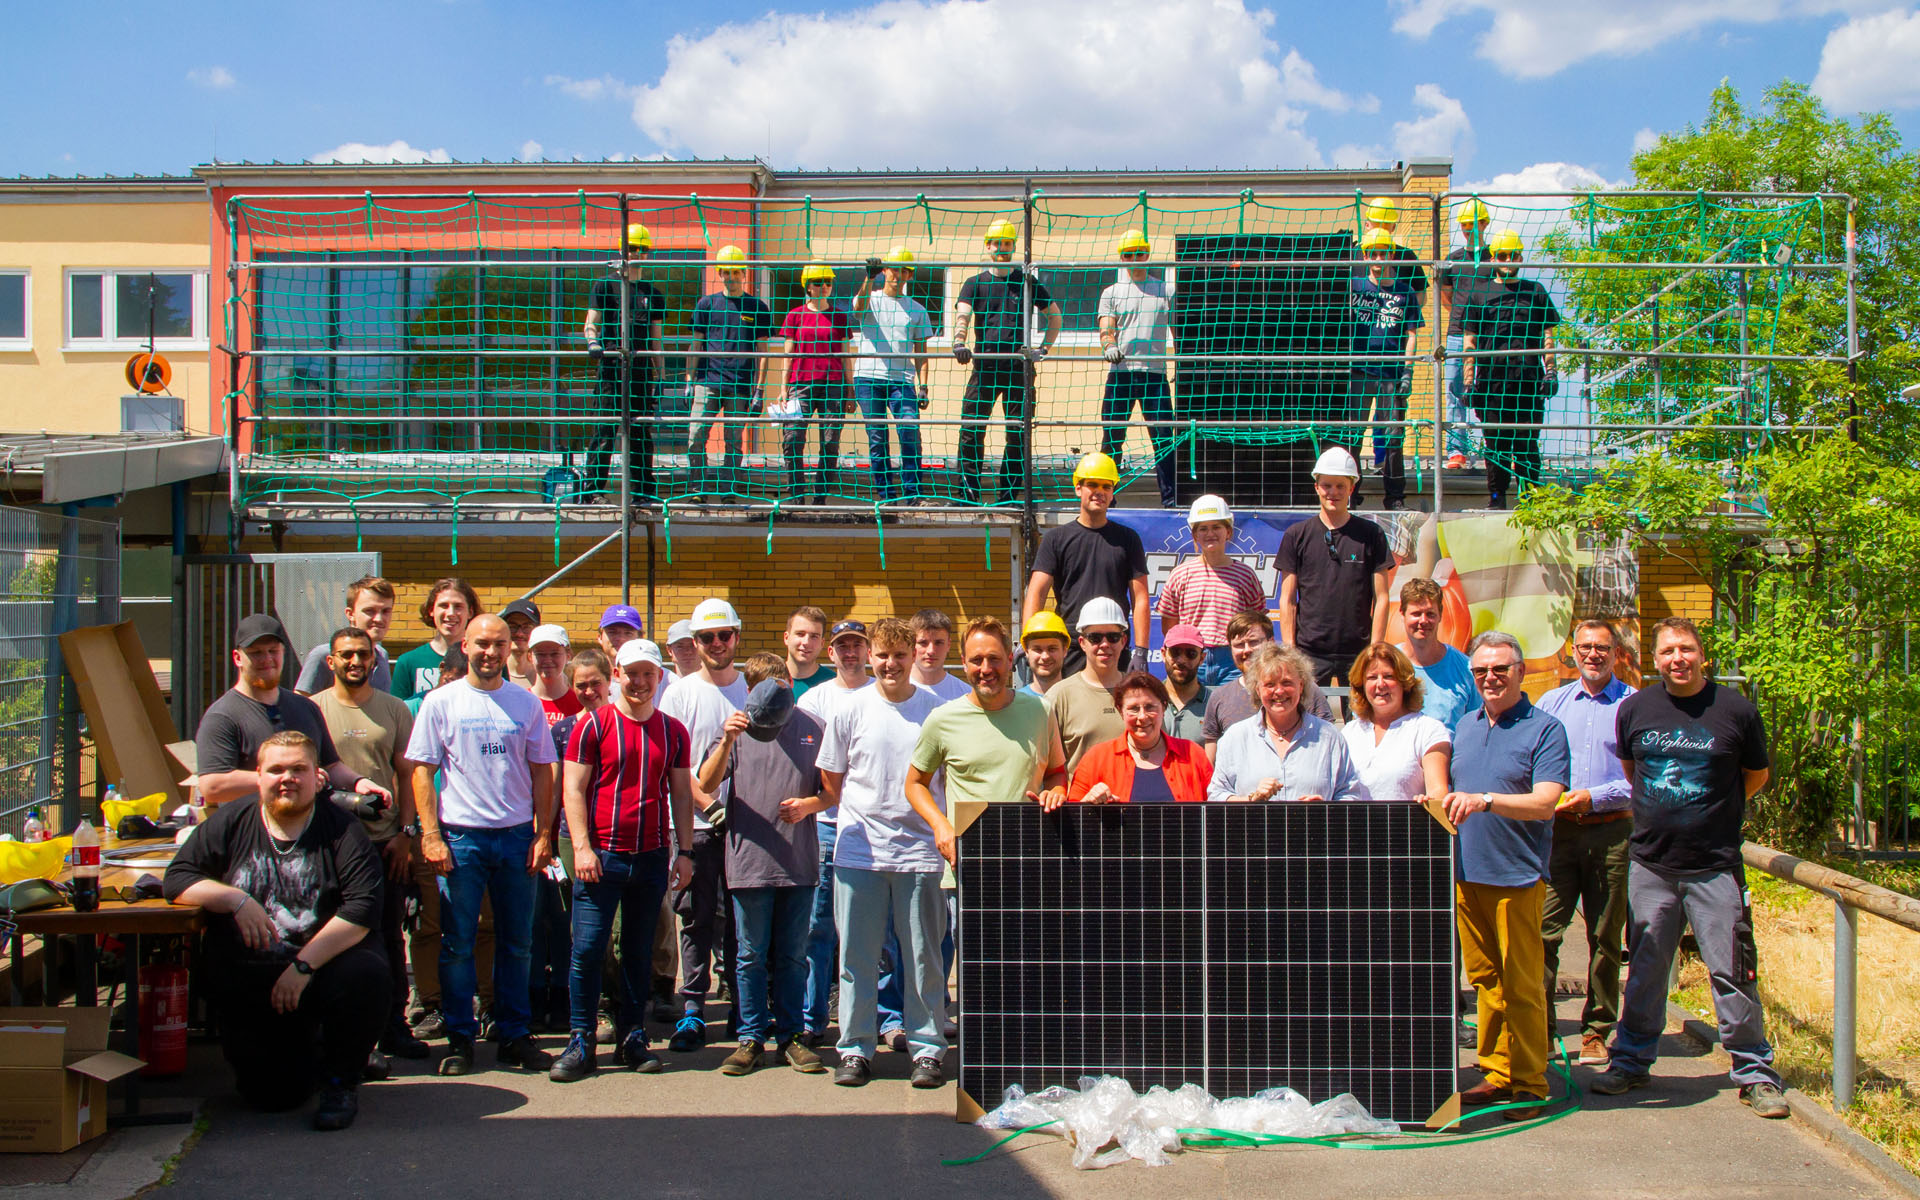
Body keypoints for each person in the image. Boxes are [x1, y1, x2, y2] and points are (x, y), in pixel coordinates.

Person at [1594, 617, 1787, 1119]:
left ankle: (1754, 1072)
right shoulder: (1635, 708)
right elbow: (1633, 773)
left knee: (1732, 970)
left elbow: (1756, 775)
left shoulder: (1735, 710)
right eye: (1666, 652)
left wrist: (1712, 813)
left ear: (1702, 655)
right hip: (1652, 864)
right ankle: (1631, 1061)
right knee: (1646, 969)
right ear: (1655, 660)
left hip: (1714, 865)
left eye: (1686, 649)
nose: (1676, 658)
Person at [165, 732, 388, 1131]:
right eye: (277, 769)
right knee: (273, 1098)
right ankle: (306, 1053)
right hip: (253, 980)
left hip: (320, 970)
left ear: (317, 777)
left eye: (298, 769)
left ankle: (341, 1080)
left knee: (366, 972)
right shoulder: (232, 821)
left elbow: (362, 908)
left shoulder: (342, 830)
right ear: (259, 775)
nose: (288, 778)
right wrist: (235, 900)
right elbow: (178, 879)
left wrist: (302, 968)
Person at [904, 617, 1068, 1088]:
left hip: (1031, 867)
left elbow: (1057, 772)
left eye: (994, 659)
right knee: (977, 975)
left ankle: (1032, 1064)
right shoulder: (944, 719)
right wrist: (940, 824)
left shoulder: (1038, 711)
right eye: (976, 660)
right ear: (964, 662)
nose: (985, 668)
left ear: (1009, 659)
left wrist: (1057, 792)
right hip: (970, 869)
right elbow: (914, 783)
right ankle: (982, 1072)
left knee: (1031, 972)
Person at [405, 614, 559, 1076]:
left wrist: (543, 833)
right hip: (460, 839)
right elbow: (421, 771)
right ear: (465, 645)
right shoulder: (441, 702)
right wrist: (430, 835)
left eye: (500, 644)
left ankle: (514, 1034)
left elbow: (542, 770)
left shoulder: (524, 703)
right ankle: (459, 1038)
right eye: (482, 644)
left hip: (516, 840)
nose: (490, 653)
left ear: (512, 647)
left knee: (517, 944)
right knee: (457, 944)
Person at [800, 617, 946, 1087]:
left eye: (899, 656)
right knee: (857, 958)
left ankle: (926, 1049)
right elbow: (832, 781)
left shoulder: (936, 710)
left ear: (912, 658)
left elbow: (944, 778)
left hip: (920, 853)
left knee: (923, 958)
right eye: (882, 655)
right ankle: (856, 1048)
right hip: (858, 852)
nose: (890, 664)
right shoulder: (849, 709)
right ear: (870, 656)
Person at [1437, 630, 1570, 1119]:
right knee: (1486, 982)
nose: (1490, 678)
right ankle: (1496, 1072)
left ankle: (1532, 1083)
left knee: (1522, 986)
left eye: (1500, 669)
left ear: (1520, 672)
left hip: (1517, 878)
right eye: (1480, 671)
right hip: (1467, 876)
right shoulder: (1466, 727)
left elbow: (1544, 802)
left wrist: (1487, 801)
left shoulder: (1545, 729)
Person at [550, 639, 696, 1081]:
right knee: (588, 950)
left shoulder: (673, 731)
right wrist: (581, 847)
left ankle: (633, 1036)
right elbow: (572, 789)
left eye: (648, 673)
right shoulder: (592, 725)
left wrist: (685, 851)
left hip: (650, 856)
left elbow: (682, 794)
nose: (639, 682)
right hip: (602, 857)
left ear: (658, 676)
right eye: (631, 673)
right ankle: (581, 1040)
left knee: (638, 952)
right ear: (618, 674)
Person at [696, 657, 827, 1076]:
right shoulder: (737, 728)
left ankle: (790, 1037)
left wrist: (809, 805)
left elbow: (832, 791)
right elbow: (704, 783)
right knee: (750, 956)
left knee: (792, 955)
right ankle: (750, 1037)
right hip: (749, 860)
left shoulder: (813, 727)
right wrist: (726, 742)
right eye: (759, 689)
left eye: (778, 686)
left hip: (798, 860)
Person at [312, 627, 425, 1063]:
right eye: (347, 655)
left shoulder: (394, 709)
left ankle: (392, 1026)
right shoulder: (313, 710)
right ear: (331, 661)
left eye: (364, 654)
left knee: (390, 937)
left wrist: (405, 834)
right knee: (334, 937)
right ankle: (341, 1032)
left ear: (376, 660)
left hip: (384, 845)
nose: (356, 661)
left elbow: (407, 776)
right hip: (328, 847)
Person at [1535, 619, 1635, 1066]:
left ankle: (1597, 1030)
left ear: (1616, 654)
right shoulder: (1552, 703)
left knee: (1605, 935)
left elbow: (1644, 780)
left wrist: (1596, 795)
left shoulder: (1633, 706)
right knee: (1543, 933)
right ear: (1571, 652)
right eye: (1585, 647)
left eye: (1602, 648)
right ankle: (1541, 1029)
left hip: (1612, 829)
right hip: (1558, 832)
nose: (1592, 655)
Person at [658, 597, 748, 1052]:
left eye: (724, 635)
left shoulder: (752, 689)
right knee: (694, 917)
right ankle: (693, 1008)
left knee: (739, 920)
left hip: (744, 830)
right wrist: (710, 808)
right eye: (707, 638)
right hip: (693, 826)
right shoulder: (679, 693)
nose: (716, 644)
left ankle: (740, 1007)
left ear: (737, 637)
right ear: (695, 643)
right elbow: (677, 768)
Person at [196, 614, 392, 810]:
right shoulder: (223, 716)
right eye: (256, 653)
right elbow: (212, 785)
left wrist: (358, 782)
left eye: (273, 651)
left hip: (309, 830)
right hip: (253, 831)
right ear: (238, 658)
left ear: (283, 653)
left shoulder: (305, 707)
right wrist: (288, 778)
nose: (267, 659)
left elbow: (331, 766)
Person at [794, 618, 873, 1047]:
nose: (850, 653)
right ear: (832, 653)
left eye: (857, 645)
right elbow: (810, 765)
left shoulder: (881, 692)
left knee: (877, 933)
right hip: (826, 826)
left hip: (871, 827)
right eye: (843, 646)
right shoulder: (816, 699)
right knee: (818, 925)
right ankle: (812, 1016)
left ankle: (883, 1015)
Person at [951, 219, 1061, 505]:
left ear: (1013, 247)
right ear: (988, 246)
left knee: (1018, 432)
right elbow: (963, 314)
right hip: (985, 367)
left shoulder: (1025, 282)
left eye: (1008, 244)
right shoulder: (975, 283)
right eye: (997, 243)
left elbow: (1055, 316)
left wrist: (1043, 348)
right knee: (971, 429)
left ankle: (1010, 496)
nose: (1002, 248)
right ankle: (967, 495)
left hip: (1018, 369)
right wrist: (959, 341)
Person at [1024, 452, 1150, 675]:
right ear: (1078, 488)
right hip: (1072, 647)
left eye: (1106, 486)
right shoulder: (1056, 539)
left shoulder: (1128, 539)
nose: (1099, 492)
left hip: (1113, 645)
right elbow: (1037, 592)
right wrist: (1028, 640)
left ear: (1112, 493)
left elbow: (1140, 598)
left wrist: (1141, 650)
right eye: (1092, 484)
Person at [1277, 448, 1392, 687]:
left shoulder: (1372, 534)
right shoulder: (1297, 535)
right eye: (1327, 485)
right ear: (1316, 487)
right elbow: (1288, 600)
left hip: (1359, 653)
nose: (1333, 492)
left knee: (1364, 723)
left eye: (1340, 486)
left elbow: (1381, 598)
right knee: (1307, 722)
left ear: (1352, 488)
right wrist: (1290, 650)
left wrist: (1375, 648)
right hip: (1309, 653)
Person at [1462, 229, 1559, 508]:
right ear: (1493, 258)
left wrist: (1551, 371)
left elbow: (1547, 338)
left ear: (1520, 256)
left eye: (1512, 255)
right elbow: (1470, 341)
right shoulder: (1479, 294)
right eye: (1502, 255)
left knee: (1527, 443)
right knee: (1496, 446)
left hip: (1528, 379)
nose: (1507, 260)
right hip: (1491, 381)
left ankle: (1531, 501)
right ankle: (1497, 500)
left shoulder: (1535, 291)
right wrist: (1468, 381)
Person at [1208, 644, 1362, 803]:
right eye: (1270, 684)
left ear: (1301, 686)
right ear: (1257, 689)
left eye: (1287, 683)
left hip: (1313, 828)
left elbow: (1351, 795)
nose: (1279, 691)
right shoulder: (1236, 737)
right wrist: (1251, 799)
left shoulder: (1329, 737)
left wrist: (1324, 809)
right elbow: (1216, 796)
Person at [582, 222, 667, 502]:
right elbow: (590, 323)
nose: (637, 254)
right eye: (632, 248)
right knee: (605, 429)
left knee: (641, 432)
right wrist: (593, 343)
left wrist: (661, 375)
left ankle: (643, 492)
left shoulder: (652, 293)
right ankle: (593, 491)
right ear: (622, 250)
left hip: (641, 371)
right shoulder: (606, 285)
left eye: (642, 249)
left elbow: (656, 340)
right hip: (611, 368)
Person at [524, 623, 580, 1030]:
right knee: (533, 916)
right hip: (526, 824)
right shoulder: (522, 702)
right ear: (529, 657)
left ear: (566, 655)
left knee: (562, 916)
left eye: (554, 653)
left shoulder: (578, 703)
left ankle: (561, 993)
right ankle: (532, 993)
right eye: (539, 654)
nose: (547, 661)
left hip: (564, 829)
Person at [1097, 228, 1178, 508]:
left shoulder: (1165, 289)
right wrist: (1109, 346)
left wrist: (1182, 362)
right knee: (1112, 437)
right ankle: (1108, 497)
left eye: (1140, 253)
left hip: (1154, 374)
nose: (1135, 259)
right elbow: (1106, 327)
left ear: (1148, 254)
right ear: (1122, 257)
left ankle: (1171, 499)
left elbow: (1177, 329)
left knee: (1163, 438)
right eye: (1129, 255)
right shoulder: (1112, 292)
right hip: (1121, 374)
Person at [686, 244, 774, 492]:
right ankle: (698, 490)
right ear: (720, 273)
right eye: (727, 272)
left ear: (744, 274)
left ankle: (729, 491)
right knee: (695, 437)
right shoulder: (706, 304)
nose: (731, 277)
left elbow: (762, 353)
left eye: (736, 272)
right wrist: (689, 381)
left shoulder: (757, 308)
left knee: (734, 442)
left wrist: (759, 390)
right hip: (707, 381)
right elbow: (695, 345)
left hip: (740, 385)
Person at [1351, 228, 1426, 510]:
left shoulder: (1405, 291)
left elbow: (1412, 335)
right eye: (1373, 253)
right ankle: (1350, 496)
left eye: (1384, 253)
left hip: (1392, 373)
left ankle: (1394, 497)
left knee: (1394, 436)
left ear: (1392, 254)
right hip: (1358, 372)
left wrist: (1408, 372)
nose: (1378, 258)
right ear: (1366, 255)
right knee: (1352, 436)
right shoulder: (1355, 286)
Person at [853, 246, 933, 505]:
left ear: (909, 275)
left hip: (902, 381)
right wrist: (869, 276)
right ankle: (887, 498)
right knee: (877, 438)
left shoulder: (917, 310)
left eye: (903, 271)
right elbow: (858, 308)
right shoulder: (872, 299)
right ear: (885, 271)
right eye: (893, 270)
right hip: (868, 378)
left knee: (909, 430)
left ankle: (913, 496)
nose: (897, 275)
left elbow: (921, 353)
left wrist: (924, 386)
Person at [1158, 495, 1266, 685]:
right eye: (1203, 528)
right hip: (1191, 656)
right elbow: (1169, 625)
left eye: (1216, 527)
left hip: (1232, 660)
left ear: (1229, 532)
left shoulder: (1245, 575)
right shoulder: (1180, 574)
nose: (1210, 534)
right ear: (1194, 535)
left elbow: (1258, 622)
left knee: (1234, 711)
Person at [1201, 611, 1334, 762]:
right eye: (1238, 645)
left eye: (1253, 642)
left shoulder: (1303, 689)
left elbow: (1327, 742)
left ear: (1271, 642)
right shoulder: (1220, 697)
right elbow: (1210, 764)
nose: (1246, 650)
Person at [1069, 671, 1212, 803]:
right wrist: (1087, 803)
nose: (1142, 717)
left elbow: (1214, 814)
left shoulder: (1193, 754)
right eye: (1133, 709)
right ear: (1120, 711)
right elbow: (1074, 818)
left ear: (1163, 707)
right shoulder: (1096, 758)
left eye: (1150, 707)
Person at [777, 263, 853, 504]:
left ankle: (820, 497)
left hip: (833, 386)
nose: (823, 287)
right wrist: (783, 389)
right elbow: (788, 355)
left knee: (830, 443)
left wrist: (850, 390)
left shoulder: (840, 316)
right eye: (817, 282)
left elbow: (846, 356)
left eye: (827, 282)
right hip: (801, 386)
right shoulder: (795, 315)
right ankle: (797, 495)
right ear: (807, 286)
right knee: (792, 438)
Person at [1340, 642, 1450, 804]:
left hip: (1405, 827)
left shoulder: (1428, 730)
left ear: (1404, 683)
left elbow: (1438, 792)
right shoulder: (1348, 733)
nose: (1380, 684)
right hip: (1355, 828)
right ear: (1361, 686)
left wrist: (1429, 801)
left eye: (1388, 676)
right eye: (1371, 677)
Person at [1437, 199, 1494, 469]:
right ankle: (1456, 451)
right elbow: (1446, 294)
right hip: (1458, 333)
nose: (1469, 229)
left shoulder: (1495, 257)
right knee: (1455, 390)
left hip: (1491, 335)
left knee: (1492, 391)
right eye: (1465, 225)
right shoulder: (1453, 260)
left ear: (1485, 224)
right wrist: (1463, 316)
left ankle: (1497, 449)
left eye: (1474, 224)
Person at [1045, 597, 1128, 776]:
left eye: (1113, 637)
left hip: (1131, 802)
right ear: (1082, 642)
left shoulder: (1140, 692)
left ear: (1123, 641)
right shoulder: (1060, 697)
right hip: (1079, 802)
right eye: (1095, 637)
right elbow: (1045, 767)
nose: (1104, 644)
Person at [1398, 577, 1476, 732]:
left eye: (1430, 614)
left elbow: (1478, 727)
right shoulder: (1386, 665)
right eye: (1416, 613)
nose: (1423, 620)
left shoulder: (1466, 669)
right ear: (1402, 614)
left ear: (1440, 614)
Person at [295, 575, 395, 694]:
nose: (379, 619)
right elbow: (300, 705)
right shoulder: (323, 656)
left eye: (386, 611)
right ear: (350, 613)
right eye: (370, 611)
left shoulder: (382, 656)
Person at [391, 577, 480, 702]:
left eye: (458, 606)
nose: (451, 613)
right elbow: (398, 714)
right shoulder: (408, 662)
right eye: (444, 606)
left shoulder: (484, 660)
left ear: (470, 612)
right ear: (431, 610)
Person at [1159, 624, 1211, 742]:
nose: (1182, 660)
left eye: (1191, 654)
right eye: (1175, 652)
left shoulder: (1215, 703)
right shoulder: (1149, 699)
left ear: (1202, 658)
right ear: (1163, 654)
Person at [909, 608, 971, 702]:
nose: (931, 651)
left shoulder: (966, 695)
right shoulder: (894, 690)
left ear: (948, 645)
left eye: (938, 643)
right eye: (923, 643)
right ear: (912, 644)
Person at [1016, 611, 1071, 697]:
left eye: (1052, 649)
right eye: (1037, 649)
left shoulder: (1080, 698)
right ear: (1026, 652)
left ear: (1064, 651)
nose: (1045, 657)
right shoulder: (1015, 703)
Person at [783, 605, 834, 696]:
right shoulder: (767, 679)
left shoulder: (834, 684)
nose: (806, 642)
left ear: (822, 643)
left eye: (814, 636)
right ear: (786, 638)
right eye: (800, 634)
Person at [500, 599, 542, 689]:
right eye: (513, 627)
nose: (519, 633)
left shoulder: (545, 674)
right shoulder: (493, 672)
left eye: (526, 627)